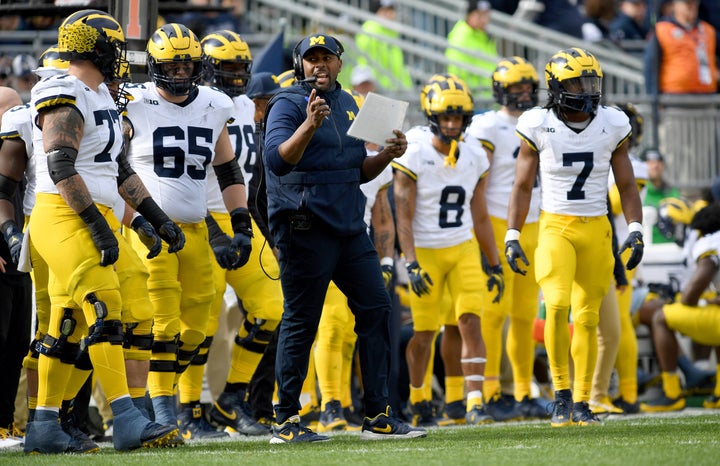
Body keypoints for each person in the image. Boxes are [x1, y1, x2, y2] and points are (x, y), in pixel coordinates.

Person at [25, 9, 184, 452]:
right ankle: (126, 417)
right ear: (96, 48)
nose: (120, 56)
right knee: (105, 303)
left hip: (86, 214)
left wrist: (157, 218)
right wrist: (97, 226)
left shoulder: (97, 96)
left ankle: (43, 425)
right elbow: (59, 162)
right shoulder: (64, 89)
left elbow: (117, 169)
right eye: (114, 47)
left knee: (68, 323)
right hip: (62, 215)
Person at [263, 32, 426, 442]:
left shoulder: (351, 102)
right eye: (312, 58)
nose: (320, 64)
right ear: (301, 64)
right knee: (302, 322)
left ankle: (378, 415)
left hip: (349, 225)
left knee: (377, 308)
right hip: (304, 227)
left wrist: (386, 155)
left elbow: (358, 171)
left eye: (327, 57)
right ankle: (286, 420)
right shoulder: (287, 102)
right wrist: (308, 125)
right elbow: (276, 161)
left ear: (339, 63)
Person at [122, 23, 253, 433]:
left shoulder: (215, 104)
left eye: (187, 65)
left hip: (196, 228)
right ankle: (161, 412)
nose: (180, 73)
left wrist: (241, 221)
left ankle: (153, 401)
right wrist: (138, 221)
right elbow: (113, 167)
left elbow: (227, 167)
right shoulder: (134, 102)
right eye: (172, 66)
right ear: (156, 66)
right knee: (161, 320)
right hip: (150, 229)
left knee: (196, 329)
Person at [505, 47, 644, 427]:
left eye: (591, 81)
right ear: (556, 86)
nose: (587, 89)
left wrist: (634, 229)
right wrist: (513, 233)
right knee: (558, 303)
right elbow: (521, 185)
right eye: (577, 82)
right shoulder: (537, 123)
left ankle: (583, 402)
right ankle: (561, 394)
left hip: (597, 227)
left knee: (587, 316)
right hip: (555, 226)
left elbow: (627, 184)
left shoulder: (612, 122)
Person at [393, 74, 505, 426]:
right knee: (424, 331)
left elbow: (480, 213)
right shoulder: (415, 149)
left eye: (458, 118)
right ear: (432, 117)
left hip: (462, 247)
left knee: (470, 321)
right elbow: (403, 214)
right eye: (446, 118)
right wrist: (410, 262)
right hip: (424, 250)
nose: (453, 124)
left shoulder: (474, 153)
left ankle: (471, 401)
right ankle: (419, 399)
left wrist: (494, 261)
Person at [187, 29, 280, 439]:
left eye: (242, 67)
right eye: (227, 67)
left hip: (240, 218)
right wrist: (210, 228)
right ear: (206, 67)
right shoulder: (194, 103)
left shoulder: (246, 106)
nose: (238, 76)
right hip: (199, 217)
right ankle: (188, 409)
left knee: (271, 307)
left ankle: (231, 399)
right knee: (201, 321)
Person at [465, 57, 549, 421]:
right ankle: (490, 391)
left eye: (528, 87)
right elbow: (476, 186)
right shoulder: (489, 126)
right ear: (501, 90)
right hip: (499, 223)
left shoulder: (543, 122)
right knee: (493, 313)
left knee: (524, 314)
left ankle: (521, 390)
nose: (524, 93)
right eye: (516, 87)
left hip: (535, 222)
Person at [590, 102, 649, 415]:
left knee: (619, 326)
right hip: (603, 244)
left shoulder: (633, 166)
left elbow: (616, 204)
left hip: (620, 248)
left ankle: (628, 392)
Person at [638, 201, 720, 411]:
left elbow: (689, 297)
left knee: (660, 317)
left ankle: (672, 393)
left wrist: (698, 300)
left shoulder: (710, 241)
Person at [0, 86, 31, 448]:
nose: (20, 114)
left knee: (17, 344)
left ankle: (5, 423)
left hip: (18, 258)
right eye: (13, 109)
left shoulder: (18, 151)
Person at [644, 0, 718, 96]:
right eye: (687, 3)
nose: (691, 7)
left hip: (707, 94)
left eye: (694, 3)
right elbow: (651, 66)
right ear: (675, 5)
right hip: (674, 95)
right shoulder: (662, 29)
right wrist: (653, 98)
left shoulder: (708, 30)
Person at [355, 0, 414, 91]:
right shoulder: (370, 30)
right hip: (377, 87)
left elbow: (399, 64)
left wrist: (407, 86)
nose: (389, 14)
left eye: (391, 10)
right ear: (377, 11)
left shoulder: (392, 32)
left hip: (393, 87)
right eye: (385, 10)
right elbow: (364, 59)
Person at [445, 1, 497, 99]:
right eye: (479, 15)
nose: (484, 20)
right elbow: (457, 69)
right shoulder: (461, 35)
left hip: (487, 96)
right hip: (470, 96)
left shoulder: (485, 36)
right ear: (469, 15)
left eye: (486, 15)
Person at [643, 149, 680, 244]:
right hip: (644, 252)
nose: (655, 166)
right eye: (650, 162)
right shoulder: (637, 192)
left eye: (658, 162)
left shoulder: (672, 192)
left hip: (669, 249)